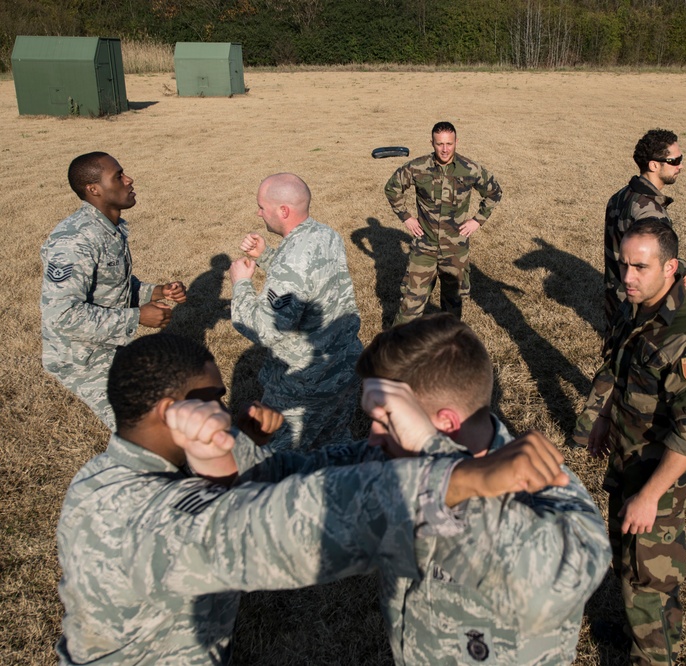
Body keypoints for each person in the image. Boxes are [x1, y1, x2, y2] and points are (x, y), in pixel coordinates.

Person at [56, 333, 569, 665]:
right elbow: (292, 523)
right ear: (174, 412)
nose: (227, 409)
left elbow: (287, 478)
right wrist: (459, 479)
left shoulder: (123, 471)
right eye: (213, 401)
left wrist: (243, 448)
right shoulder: (126, 514)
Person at [315, 313, 609, 664]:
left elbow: (547, 588)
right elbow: (307, 477)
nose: (371, 439)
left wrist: (433, 451)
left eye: (386, 421)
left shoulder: (547, 492)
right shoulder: (397, 459)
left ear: (444, 425)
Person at [574, 220, 686, 665]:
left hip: (660, 476)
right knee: (630, 564)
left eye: (640, 267)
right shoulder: (638, 306)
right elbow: (618, 364)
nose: (627, 277)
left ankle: (653, 652)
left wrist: (650, 496)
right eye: (624, 265)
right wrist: (602, 415)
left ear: (671, 267)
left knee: (647, 579)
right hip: (630, 457)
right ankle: (635, 630)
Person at [40, 152, 187, 429]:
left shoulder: (109, 228)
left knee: (168, 407)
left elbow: (110, 286)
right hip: (81, 356)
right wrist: (137, 317)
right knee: (145, 428)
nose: (129, 180)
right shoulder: (74, 240)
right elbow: (62, 315)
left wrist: (156, 291)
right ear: (93, 189)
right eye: (118, 176)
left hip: (108, 345)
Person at [231, 173, 363, 450]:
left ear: (283, 211)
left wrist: (241, 283)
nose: (258, 213)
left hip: (304, 385)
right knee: (334, 449)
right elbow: (307, 281)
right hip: (343, 369)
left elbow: (265, 329)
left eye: (261, 207)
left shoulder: (294, 258)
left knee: (274, 460)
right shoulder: (326, 234)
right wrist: (266, 256)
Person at [384, 121, 502, 325]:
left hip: (455, 249)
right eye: (439, 144)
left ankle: (447, 349)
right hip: (425, 247)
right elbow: (392, 188)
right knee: (410, 304)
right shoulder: (417, 167)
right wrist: (406, 217)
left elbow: (494, 192)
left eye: (449, 143)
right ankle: (397, 350)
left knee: (452, 305)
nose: (445, 149)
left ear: (456, 142)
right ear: (432, 143)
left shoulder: (470, 169)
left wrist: (477, 220)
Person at [604, 128, 686, 336]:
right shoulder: (651, 213)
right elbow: (653, 261)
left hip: (615, 294)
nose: (680, 166)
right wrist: (680, 266)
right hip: (636, 300)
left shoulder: (621, 195)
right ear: (654, 165)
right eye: (675, 161)